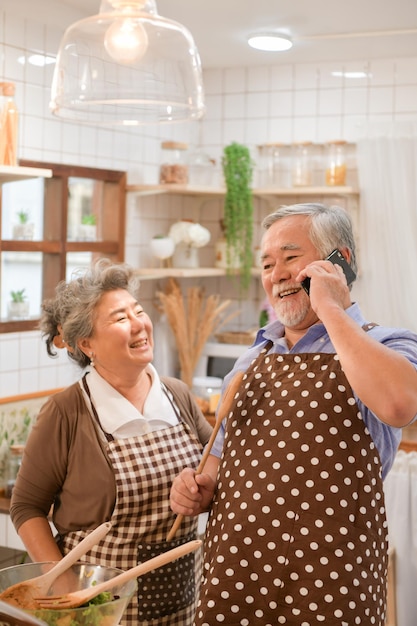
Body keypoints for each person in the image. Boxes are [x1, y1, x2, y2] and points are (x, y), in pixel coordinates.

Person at [170, 202, 417, 626]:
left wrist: (333, 310)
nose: (276, 274)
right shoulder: (252, 358)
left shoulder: (389, 344)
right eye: (267, 264)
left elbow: (400, 405)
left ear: (340, 262)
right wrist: (198, 486)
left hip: (330, 579)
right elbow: (219, 456)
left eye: (290, 258)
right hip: (236, 568)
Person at [10, 259, 212, 626]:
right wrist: (66, 584)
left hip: (181, 600)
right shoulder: (67, 412)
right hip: (97, 604)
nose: (139, 324)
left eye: (138, 311)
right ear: (87, 344)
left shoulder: (178, 396)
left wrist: (203, 495)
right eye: (120, 319)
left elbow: (213, 476)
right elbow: (26, 508)